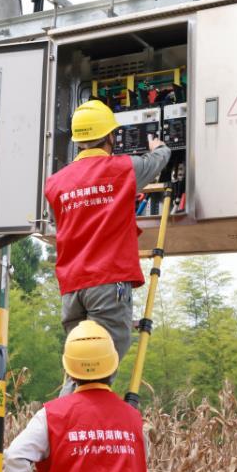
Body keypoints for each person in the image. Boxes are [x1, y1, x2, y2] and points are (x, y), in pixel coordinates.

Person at [44, 100, 170, 395]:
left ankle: (62, 425)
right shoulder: (123, 169)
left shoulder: (54, 183)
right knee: (97, 367)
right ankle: (70, 428)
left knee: (78, 365)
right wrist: (159, 146)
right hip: (106, 281)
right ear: (110, 136)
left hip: (72, 288)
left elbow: (63, 220)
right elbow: (156, 162)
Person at [3, 320, 148, 472]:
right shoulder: (135, 420)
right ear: (113, 366)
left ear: (70, 372)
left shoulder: (50, 416)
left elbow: (14, 458)